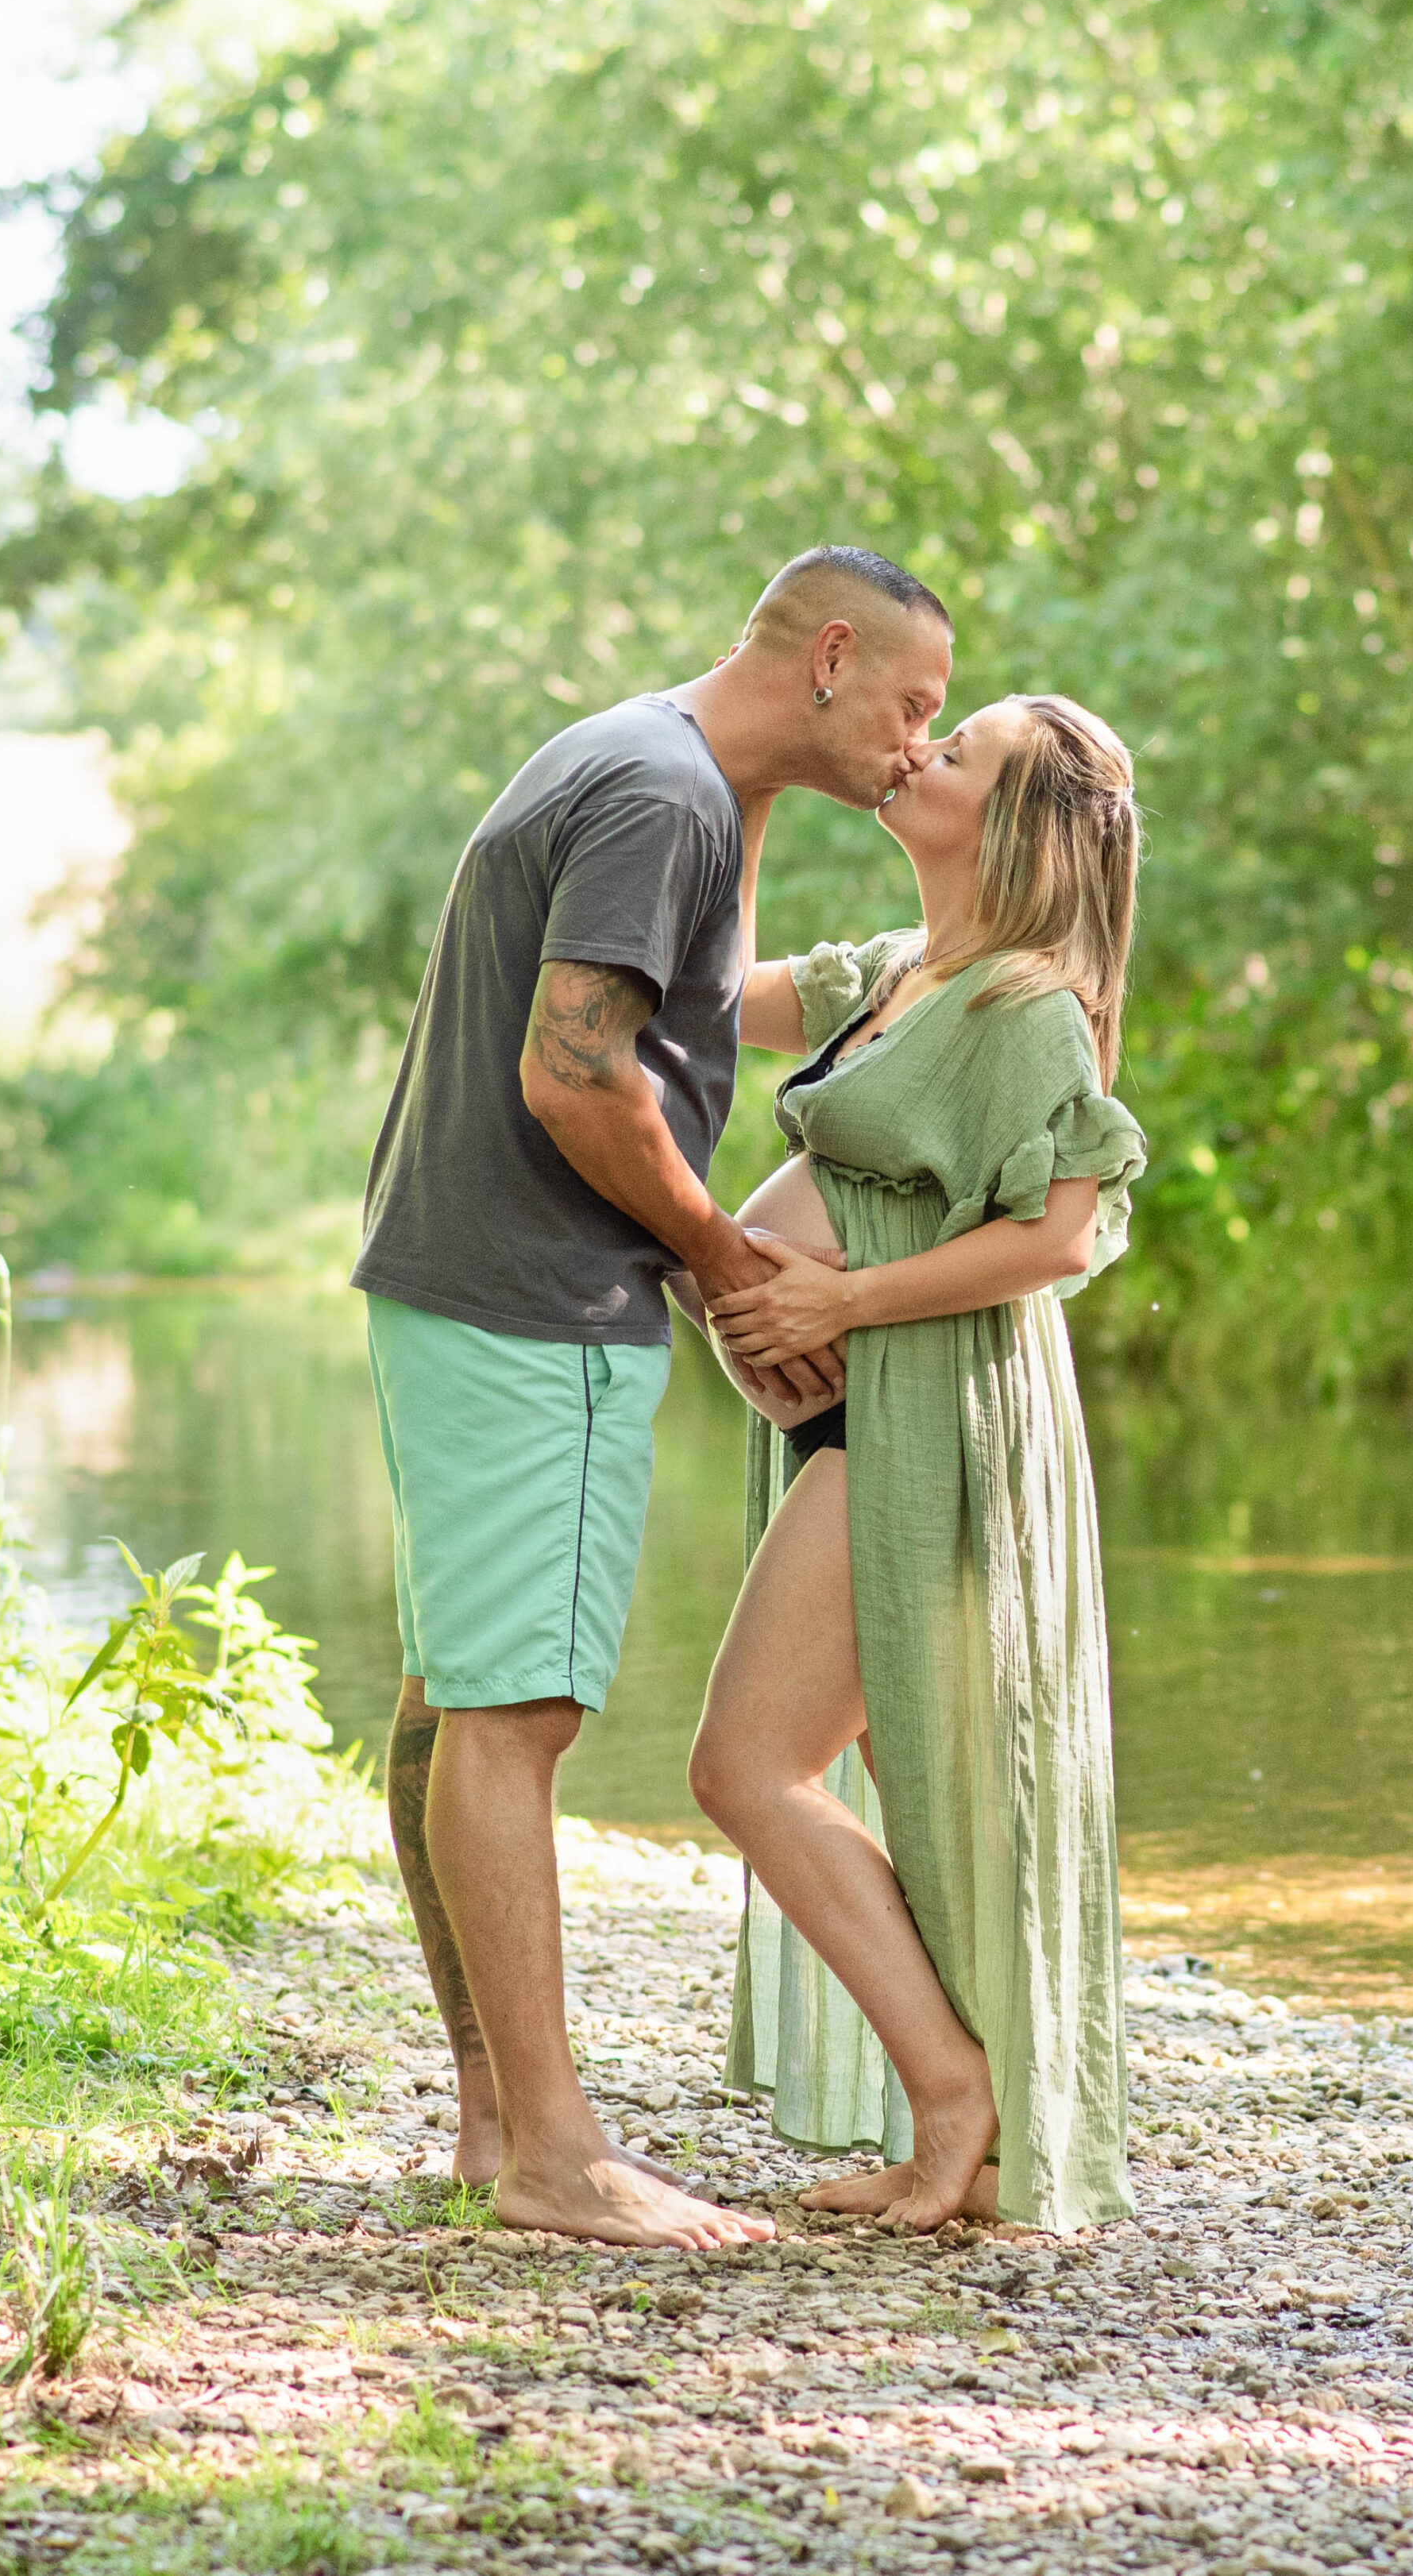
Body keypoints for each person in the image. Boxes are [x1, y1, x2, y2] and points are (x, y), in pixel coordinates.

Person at [352, 546, 951, 2249]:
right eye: (912, 702)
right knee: (517, 1709)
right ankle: (555, 2155)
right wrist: (718, 1261)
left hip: (470, 1279)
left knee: (458, 1693)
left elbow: (656, 1039)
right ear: (831, 655)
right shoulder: (667, 796)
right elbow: (575, 1072)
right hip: (535, 1297)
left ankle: (495, 2130)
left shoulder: (667, 771)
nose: (920, 742)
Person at [683, 693, 1146, 2233]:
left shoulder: (1022, 1007)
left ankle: (955, 2095)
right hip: (848, 1415)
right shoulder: (897, 971)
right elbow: (699, 989)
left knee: (748, 1765)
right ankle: (968, 2127)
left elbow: (1063, 1230)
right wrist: (733, 785)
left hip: (928, 1419)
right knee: (913, 1778)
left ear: (1014, 823)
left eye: (962, 754)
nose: (922, 755)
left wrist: (837, 1298)